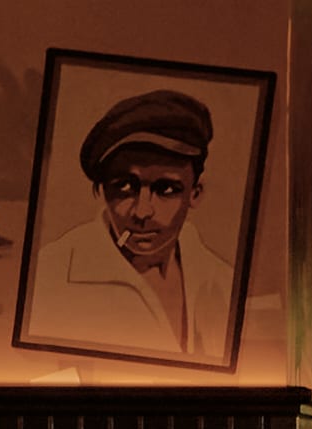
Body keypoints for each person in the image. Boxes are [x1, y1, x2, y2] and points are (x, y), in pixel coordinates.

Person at [24, 86, 233, 365]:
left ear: (195, 193)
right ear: (101, 191)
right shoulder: (51, 276)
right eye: (124, 187)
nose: (143, 211)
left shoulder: (221, 280)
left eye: (166, 189)